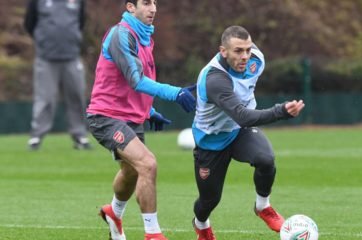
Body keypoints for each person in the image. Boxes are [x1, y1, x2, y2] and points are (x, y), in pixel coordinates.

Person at [86, 0, 196, 240]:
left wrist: (149, 111)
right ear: (130, 7)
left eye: (155, 2)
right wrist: (175, 93)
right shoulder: (121, 35)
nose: (153, 8)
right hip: (106, 117)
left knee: (131, 172)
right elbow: (136, 80)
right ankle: (153, 234)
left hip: (130, 118)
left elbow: (128, 84)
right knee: (148, 164)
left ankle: (113, 213)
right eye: (146, 2)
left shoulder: (144, 38)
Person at [191, 25, 305, 240]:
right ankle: (201, 224)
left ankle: (263, 206)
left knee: (265, 159)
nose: (245, 56)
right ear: (223, 51)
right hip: (212, 140)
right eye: (238, 51)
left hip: (239, 131)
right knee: (209, 200)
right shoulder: (215, 79)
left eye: (247, 49)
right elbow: (243, 115)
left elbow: (241, 121)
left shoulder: (256, 59)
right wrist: (280, 111)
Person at [24, 0, 91, 150]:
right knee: (45, 99)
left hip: (72, 57)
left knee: (76, 96)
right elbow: (29, 23)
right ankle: (36, 136)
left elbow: (81, 22)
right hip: (46, 58)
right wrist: (43, 42)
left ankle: (80, 136)